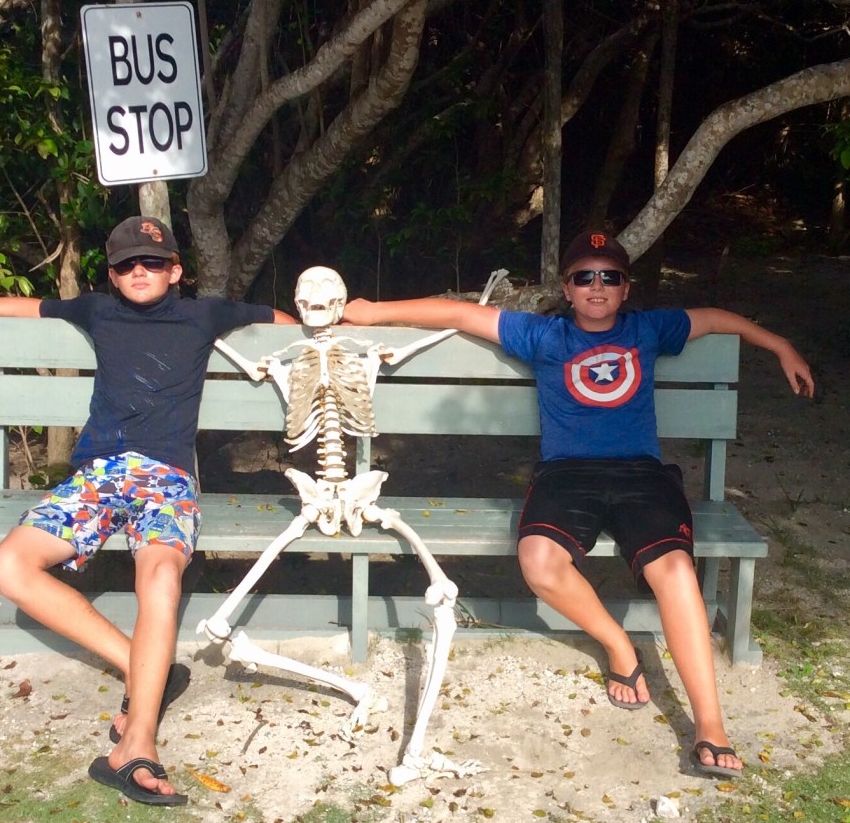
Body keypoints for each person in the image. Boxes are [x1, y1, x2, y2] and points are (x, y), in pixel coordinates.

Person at [343, 230, 815, 779]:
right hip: (568, 475)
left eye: (609, 276)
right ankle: (620, 647)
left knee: (678, 570)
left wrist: (780, 344)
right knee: (539, 561)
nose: (597, 286)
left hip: (641, 475)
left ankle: (710, 725)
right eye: (584, 276)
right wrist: (373, 311)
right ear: (567, 288)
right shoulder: (543, 334)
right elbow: (459, 315)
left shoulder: (648, 329)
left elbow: (713, 317)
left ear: (624, 287)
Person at [0, 216, 296, 806]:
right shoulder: (94, 311)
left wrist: (322, 333)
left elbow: (283, 323)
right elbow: (30, 306)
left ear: (176, 270)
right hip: (99, 477)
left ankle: (136, 743)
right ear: (112, 277)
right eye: (125, 264)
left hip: (167, 479)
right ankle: (145, 665)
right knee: (9, 566)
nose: (138, 271)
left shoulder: (206, 313)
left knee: (161, 574)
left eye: (151, 262)